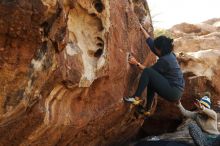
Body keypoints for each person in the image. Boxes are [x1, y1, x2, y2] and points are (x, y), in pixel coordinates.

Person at [124, 23, 185, 116]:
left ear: (160, 50)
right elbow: (151, 43)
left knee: (148, 72)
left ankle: (136, 98)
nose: (154, 49)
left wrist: (136, 63)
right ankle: (147, 110)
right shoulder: (168, 53)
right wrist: (142, 29)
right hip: (176, 89)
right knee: (151, 82)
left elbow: (147, 71)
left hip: (173, 91)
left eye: (156, 48)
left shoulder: (165, 60)